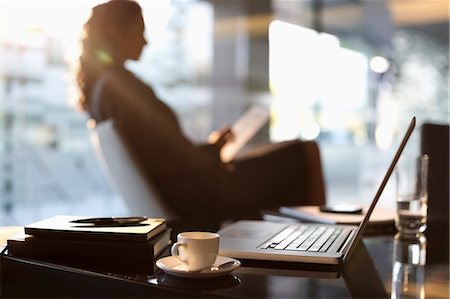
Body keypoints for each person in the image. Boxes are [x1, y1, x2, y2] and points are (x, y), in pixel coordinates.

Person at [76, 0, 325, 226]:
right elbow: (174, 160)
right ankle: (321, 241)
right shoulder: (121, 89)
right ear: (115, 32)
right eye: (139, 31)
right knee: (305, 152)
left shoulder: (103, 91)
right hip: (200, 194)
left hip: (189, 189)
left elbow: (164, 154)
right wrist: (214, 149)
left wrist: (211, 148)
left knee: (266, 154)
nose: (145, 41)